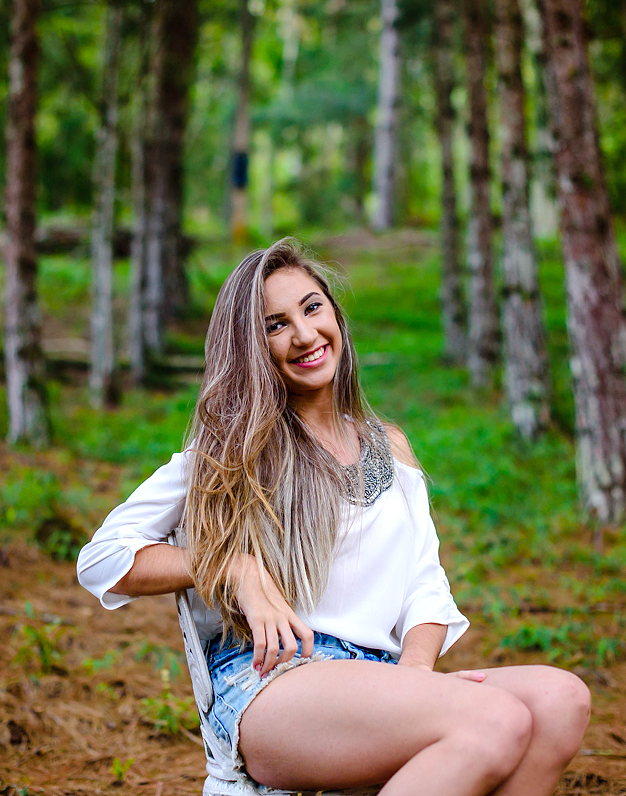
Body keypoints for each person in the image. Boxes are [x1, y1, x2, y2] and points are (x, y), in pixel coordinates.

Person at [77, 240, 590, 796]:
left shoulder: (390, 446)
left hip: (378, 677)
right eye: (276, 325)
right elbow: (102, 558)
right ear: (251, 348)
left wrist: (417, 675)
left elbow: (425, 584)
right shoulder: (232, 453)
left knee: (561, 700)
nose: (304, 335)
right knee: (496, 719)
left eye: (312, 308)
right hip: (275, 682)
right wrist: (234, 567)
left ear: (335, 315)